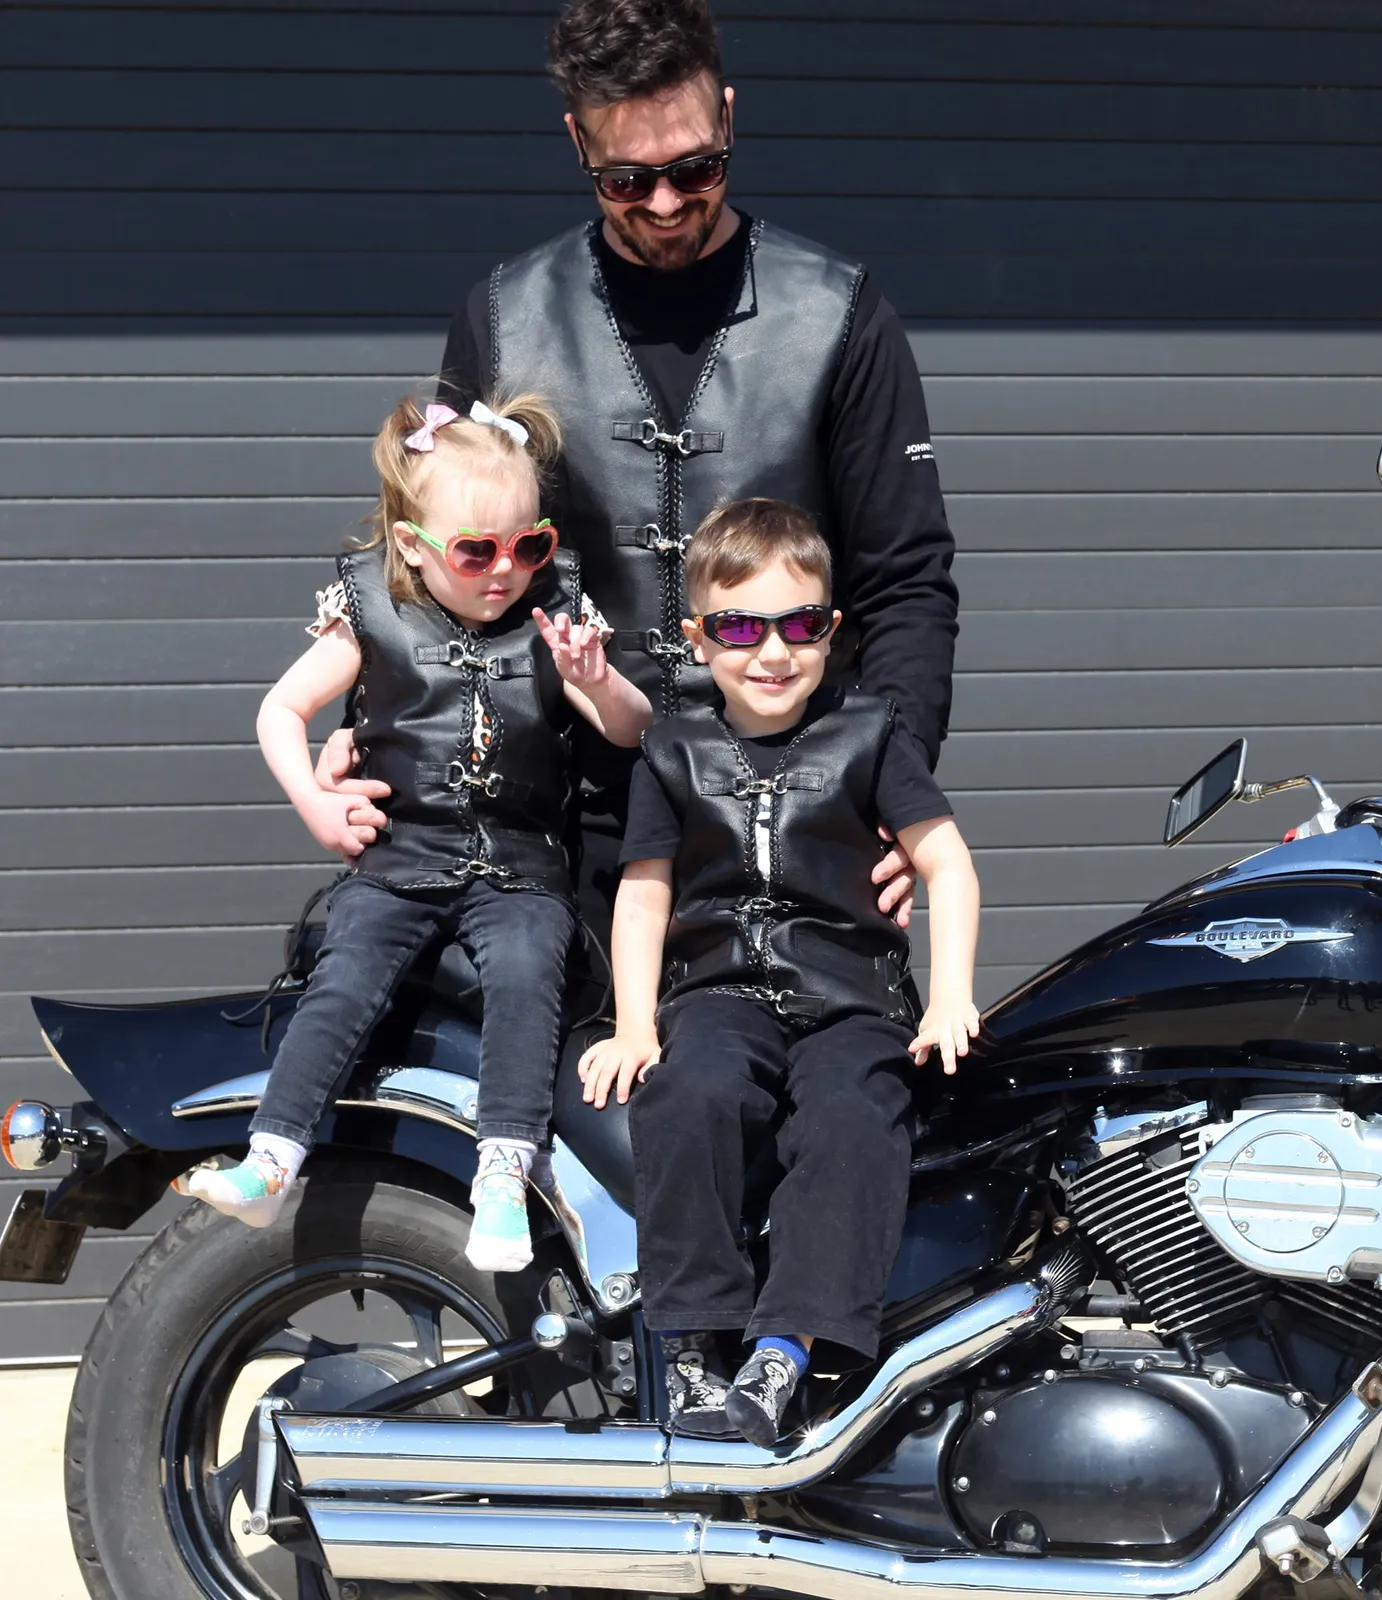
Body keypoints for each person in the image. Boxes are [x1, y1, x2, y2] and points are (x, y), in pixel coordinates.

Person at [321, 0, 958, 951]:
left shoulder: (842, 315)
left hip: (799, 813)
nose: (664, 203)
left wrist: (893, 787)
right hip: (563, 829)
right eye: (625, 179)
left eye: (695, 168)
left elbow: (904, 581)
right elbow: (436, 566)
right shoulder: (502, 318)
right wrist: (367, 734)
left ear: (729, 118)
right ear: (577, 141)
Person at [185, 395, 651, 1272]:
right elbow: (281, 709)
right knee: (346, 973)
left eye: (528, 546)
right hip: (399, 857)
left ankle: (504, 1175)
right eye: (475, 551)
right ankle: (272, 1157)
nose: (504, 570)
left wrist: (598, 679)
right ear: (410, 545)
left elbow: (629, 730)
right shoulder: (371, 608)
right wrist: (314, 803)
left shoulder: (555, 614)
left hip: (520, 866)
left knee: (527, 972)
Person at [578, 499, 980, 1445]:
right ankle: (690, 1345)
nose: (771, 652)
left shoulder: (871, 733)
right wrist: (634, 1024)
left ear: (829, 632)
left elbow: (947, 863)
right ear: (697, 639)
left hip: (851, 997)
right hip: (718, 993)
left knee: (852, 1114)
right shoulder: (671, 751)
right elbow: (643, 896)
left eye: (798, 627)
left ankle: (782, 1350)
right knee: (690, 1094)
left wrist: (951, 994)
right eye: (738, 629)